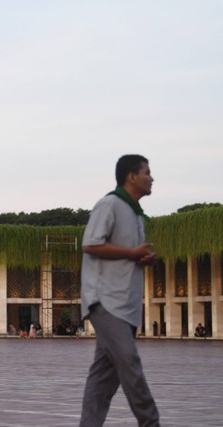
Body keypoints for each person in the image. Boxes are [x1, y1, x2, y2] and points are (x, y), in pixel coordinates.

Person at [79, 154, 160, 427]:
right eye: (147, 172)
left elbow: (127, 254)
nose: (152, 178)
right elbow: (90, 244)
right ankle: (151, 422)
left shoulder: (136, 214)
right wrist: (131, 252)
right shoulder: (109, 204)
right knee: (130, 365)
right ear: (131, 176)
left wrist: (142, 257)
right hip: (106, 302)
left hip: (126, 307)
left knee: (102, 380)